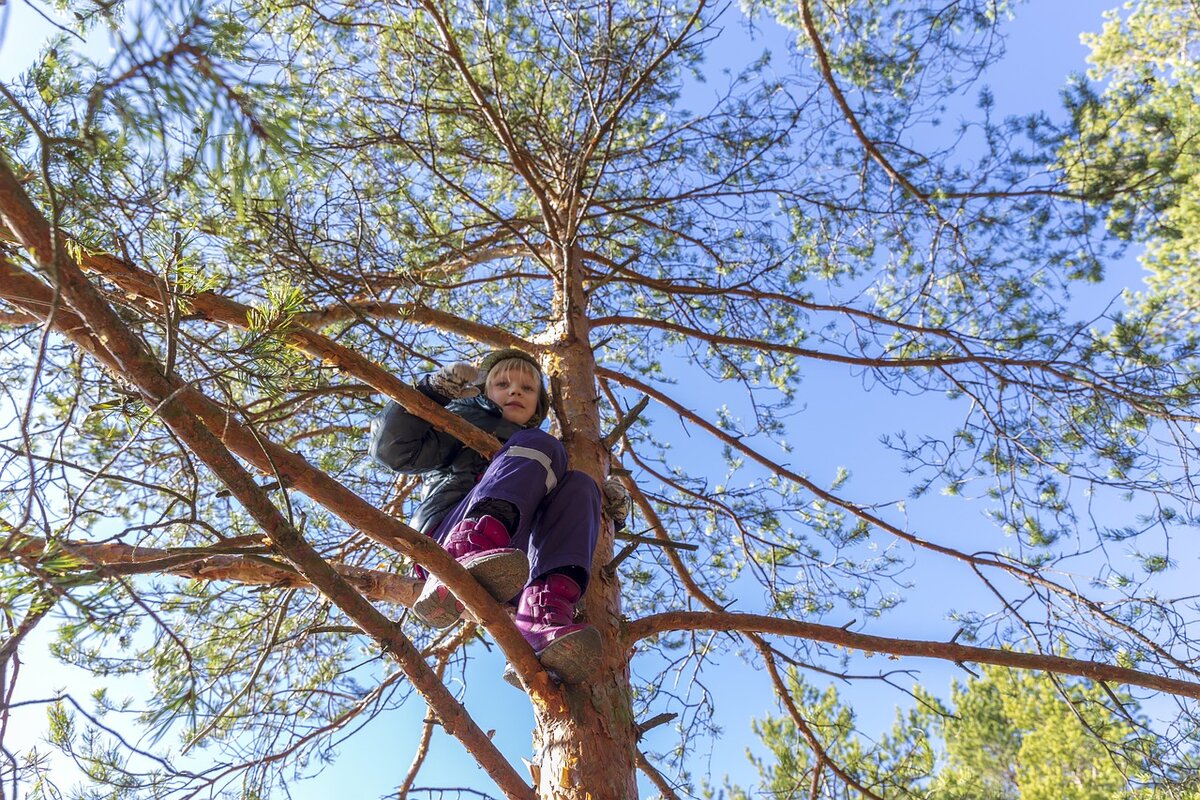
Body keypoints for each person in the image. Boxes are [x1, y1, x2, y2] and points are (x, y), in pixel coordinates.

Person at [369, 348, 622, 684]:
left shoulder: (542, 456)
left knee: (580, 485)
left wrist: (608, 513)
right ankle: (467, 546)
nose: (515, 391)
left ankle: (542, 612)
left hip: (512, 563)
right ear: (483, 391)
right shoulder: (464, 420)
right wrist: (432, 391)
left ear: (538, 405)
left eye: (527, 388)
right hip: (447, 535)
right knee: (541, 446)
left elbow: (560, 523)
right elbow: (392, 449)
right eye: (502, 383)